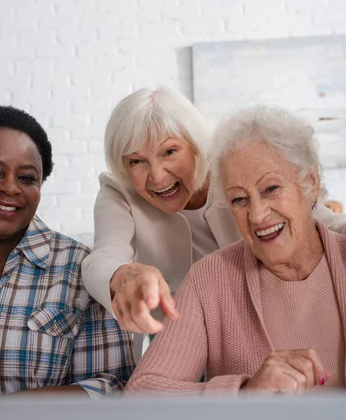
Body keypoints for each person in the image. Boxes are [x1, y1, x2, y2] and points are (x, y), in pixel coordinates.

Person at [82, 87, 346, 343]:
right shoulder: (119, 192)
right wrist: (121, 273)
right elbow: (103, 257)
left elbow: (318, 217)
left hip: (258, 315)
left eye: (170, 151)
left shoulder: (227, 171)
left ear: (195, 144)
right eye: (136, 161)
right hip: (177, 331)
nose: (157, 176)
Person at [126, 106, 346, 395]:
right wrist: (243, 392)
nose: (256, 215)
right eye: (239, 199)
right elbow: (141, 393)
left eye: (271, 189)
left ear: (310, 182)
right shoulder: (211, 280)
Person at [0, 105, 134, 398]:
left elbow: (114, 385)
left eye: (26, 178)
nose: (10, 188)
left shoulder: (80, 268)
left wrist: (22, 407)